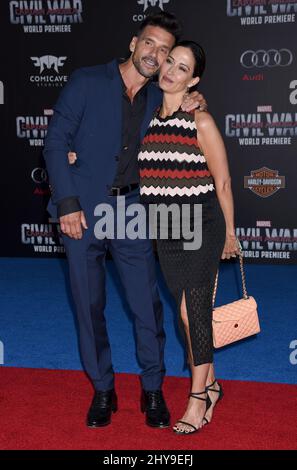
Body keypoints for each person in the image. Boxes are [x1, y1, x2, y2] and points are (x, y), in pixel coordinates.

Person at [44, 13, 207, 429]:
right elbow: (56, 141)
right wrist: (67, 203)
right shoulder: (88, 81)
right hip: (81, 210)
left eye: (165, 51)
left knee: (146, 308)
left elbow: (190, 118)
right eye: (150, 44)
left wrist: (196, 101)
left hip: (132, 211)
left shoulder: (159, 96)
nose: (156, 55)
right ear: (134, 42)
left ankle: (152, 389)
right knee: (88, 305)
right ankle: (103, 389)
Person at [138, 40, 239, 434]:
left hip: (203, 226)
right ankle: (211, 384)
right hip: (166, 229)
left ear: (193, 79)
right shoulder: (146, 114)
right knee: (185, 311)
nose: (171, 71)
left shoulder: (201, 120)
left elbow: (224, 181)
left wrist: (230, 233)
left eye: (183, 68)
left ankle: (198, 399)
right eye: (170, 62)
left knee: (189, 312)